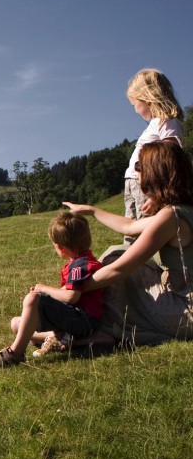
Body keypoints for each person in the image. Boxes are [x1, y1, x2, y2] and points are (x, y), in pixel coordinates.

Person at [65, 140, 193, 346]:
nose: (136, 173)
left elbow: (120, 270)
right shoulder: (183, 210)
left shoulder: (170, 217)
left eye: (139, 167)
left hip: (186, 310)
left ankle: (106, 330)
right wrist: (91, 210)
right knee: (119, 251)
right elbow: (130, 227)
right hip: (184, 297)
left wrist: (73, 289)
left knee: (115, 260)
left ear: (155, 172)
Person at [0, 211, 104, 368]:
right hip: (77, 318)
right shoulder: (82, 262)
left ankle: (14, 354)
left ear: (61, 248)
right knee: (16, 324)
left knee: (32, 299)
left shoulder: (80, 266)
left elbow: (72, 296)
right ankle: (60, 338)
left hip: (83, 321)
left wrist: (43, 289)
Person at [123, 69, 184, 235]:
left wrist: (156, 196)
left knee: (145, 231)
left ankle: (143, 259)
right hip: (134, 185)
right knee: (132, 231)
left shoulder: (168, 123)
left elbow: (170, 160)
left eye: (135, 104)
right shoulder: (156, 124)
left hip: (147, 186)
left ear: (148, 98)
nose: (135, 110)